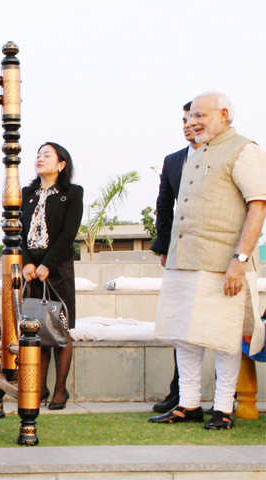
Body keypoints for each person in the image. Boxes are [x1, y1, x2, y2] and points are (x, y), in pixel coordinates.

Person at [151, 92, 266, 430]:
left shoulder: (244, 149)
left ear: (224, 114)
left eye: (200, 115)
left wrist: (239, 259)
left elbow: (258, 206)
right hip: (184, 260)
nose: (193, 122)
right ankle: (188, 404)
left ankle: (222, 408)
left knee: (223, 335)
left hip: (223, 263)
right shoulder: (197, 152)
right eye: (189, 117)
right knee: (184, 334)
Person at [20, 142, 83, 410]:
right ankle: (40, 387)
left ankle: (60, 390)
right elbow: (16, 230)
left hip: (57, 271)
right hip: (32, 273)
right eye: (38, 154)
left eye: (47, 155)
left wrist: (47, 264)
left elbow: (68, 234)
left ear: (61, 164)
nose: (40, 158)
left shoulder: (72, 193)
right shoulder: (26, 193)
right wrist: (26, 263)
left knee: (60, 330)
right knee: (38, 332)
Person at [149, 101, 202, 414]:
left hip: (216, 256)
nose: (187, 125)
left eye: (193, 118)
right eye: (183, 119)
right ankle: (179, 393)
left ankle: (225, 397)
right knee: (181, 326)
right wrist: (164, 248)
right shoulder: (173, 161)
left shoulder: (224, 156)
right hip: (180, 256)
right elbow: (163, 207)